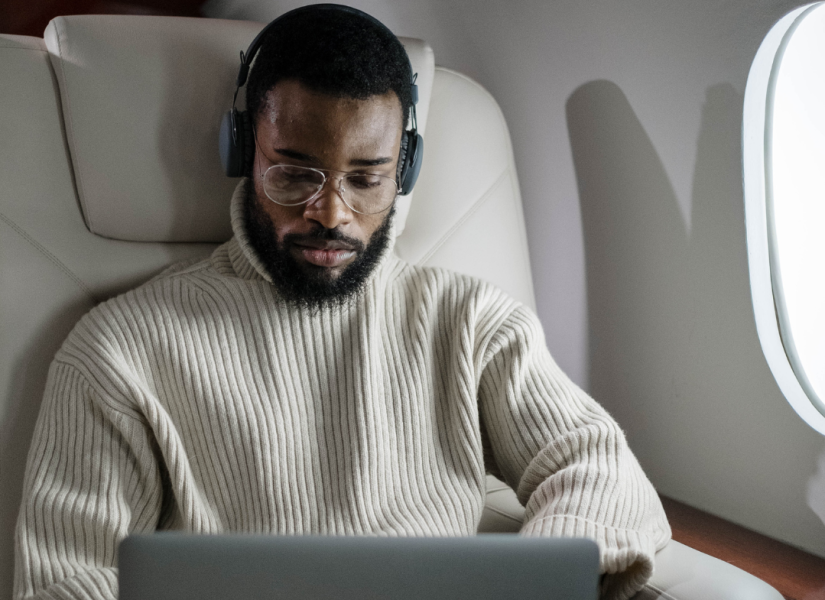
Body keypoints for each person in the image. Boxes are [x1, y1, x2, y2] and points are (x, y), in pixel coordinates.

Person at [14, 5, 671, 600]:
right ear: (240, 150)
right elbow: (69, 580)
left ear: (404, 170)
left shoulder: (470, 322)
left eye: (366, 178)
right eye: (295, 172)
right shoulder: (118, 349)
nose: (331, 213)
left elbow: (594, 465)